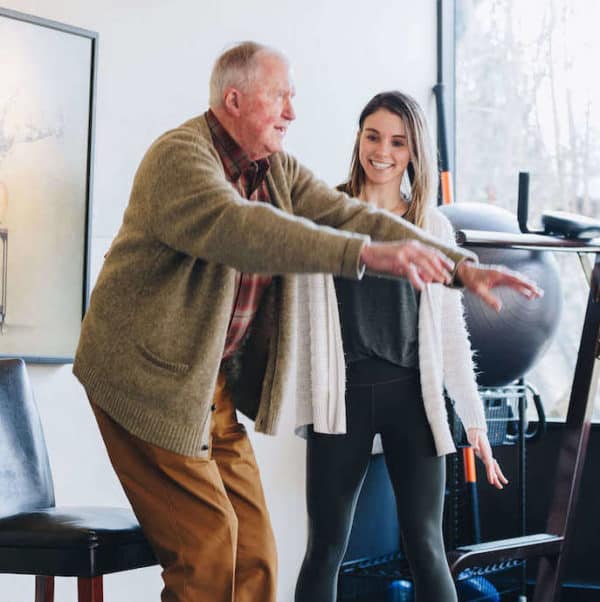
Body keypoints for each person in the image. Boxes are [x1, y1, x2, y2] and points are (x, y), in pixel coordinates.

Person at [73, 43, 540, 602]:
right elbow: (243, 228)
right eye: (281, 97)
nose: (293, 111)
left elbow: (347, 214)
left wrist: (461, 268)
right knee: (209, 548)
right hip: (143, 378)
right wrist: (366, 255)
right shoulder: (180, 159)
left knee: (254, 551)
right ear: (235, 99)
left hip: (205, 382)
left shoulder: (273, 169)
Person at [294, 91, 509, 602]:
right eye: (373, 136)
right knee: (325, 547)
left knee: (426, 547)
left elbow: (450, 334)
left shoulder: (430, 225)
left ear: (414, 151)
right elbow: (297, 314)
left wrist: (473, 419)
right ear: (359, 138)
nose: (382, 151)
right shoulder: (329, 213)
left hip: (413, 399)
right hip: (341, 398)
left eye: (397, 141)